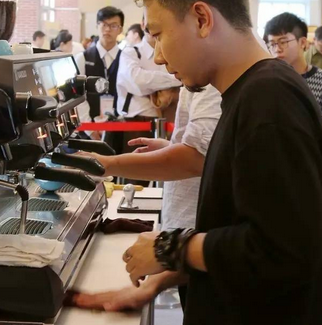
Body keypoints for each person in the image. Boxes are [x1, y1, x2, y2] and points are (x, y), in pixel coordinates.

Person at [120, 0, 322, 325]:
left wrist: (172, 248)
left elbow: (281, 251)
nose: (158, 57)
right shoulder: (248, 94)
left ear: (201, 18)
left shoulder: (269, 99)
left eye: (159, 34)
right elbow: (238, 231)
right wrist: (166, 276)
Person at [72, 82, 221, 312]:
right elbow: (210, 154)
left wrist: (108, 164)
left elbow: (195, 158)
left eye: (160, 43)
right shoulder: (208, 83)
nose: (159, 58)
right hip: (193, 263)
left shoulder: (227, 87)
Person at [114, 26, 182, 157]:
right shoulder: (131, 51)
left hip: (170, 120)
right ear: (143, 23)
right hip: (136, 121)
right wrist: (177, 78)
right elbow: (138, 81)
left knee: (165, 170)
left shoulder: (174, 52)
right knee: (135, 171)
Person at [264, 13, 322, 116]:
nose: (277, 49)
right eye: (272, 44)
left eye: (283, 42)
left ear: (302, 42)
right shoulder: (266, 80)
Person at [74, 6, 124, 140]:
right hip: (88, 130)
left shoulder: (126, 58)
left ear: (120, 29)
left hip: (119, 127)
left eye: (113, 25)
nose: (107, 29)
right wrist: (91, 130)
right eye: (104, 24)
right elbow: (78, 96)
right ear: (97, 25)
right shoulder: (83, 58)